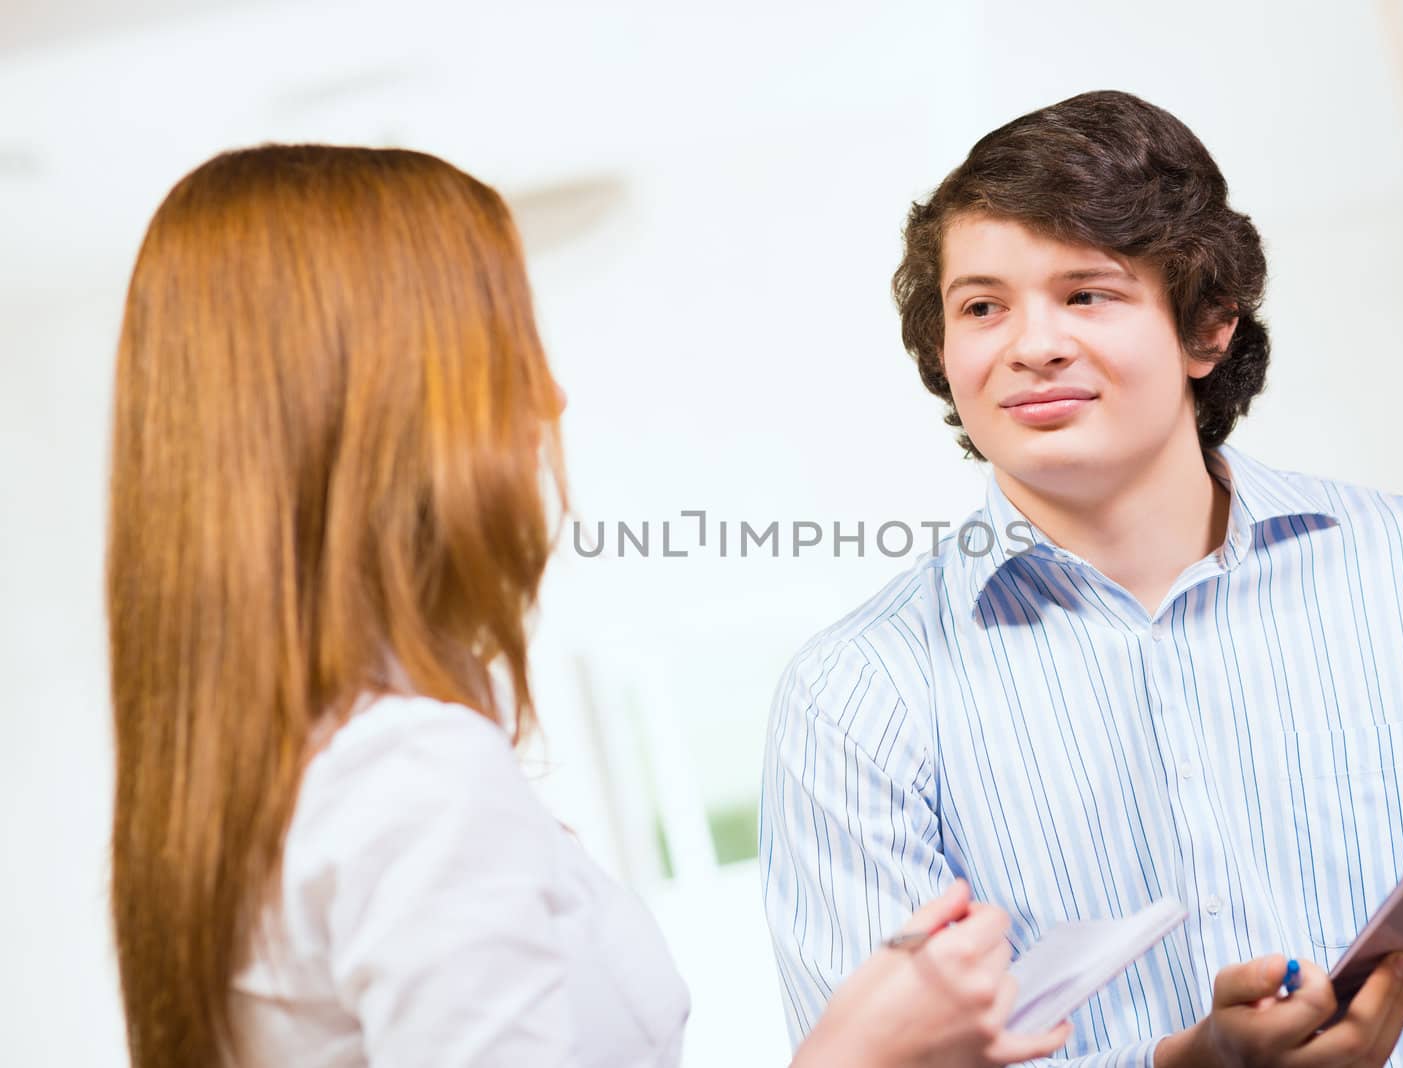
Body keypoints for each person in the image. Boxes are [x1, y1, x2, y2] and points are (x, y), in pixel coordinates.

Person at [104, 144, 1073, 1068]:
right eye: (502, 346)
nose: (550, 394)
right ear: (383, 408)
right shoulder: (412, 777)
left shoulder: (256, 788)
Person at [759, 90, 1403, 1067]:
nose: (1031, 346)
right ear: (943, 355)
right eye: (982, 307)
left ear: (1207, 329)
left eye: (1087, 294)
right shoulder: (855, 696)